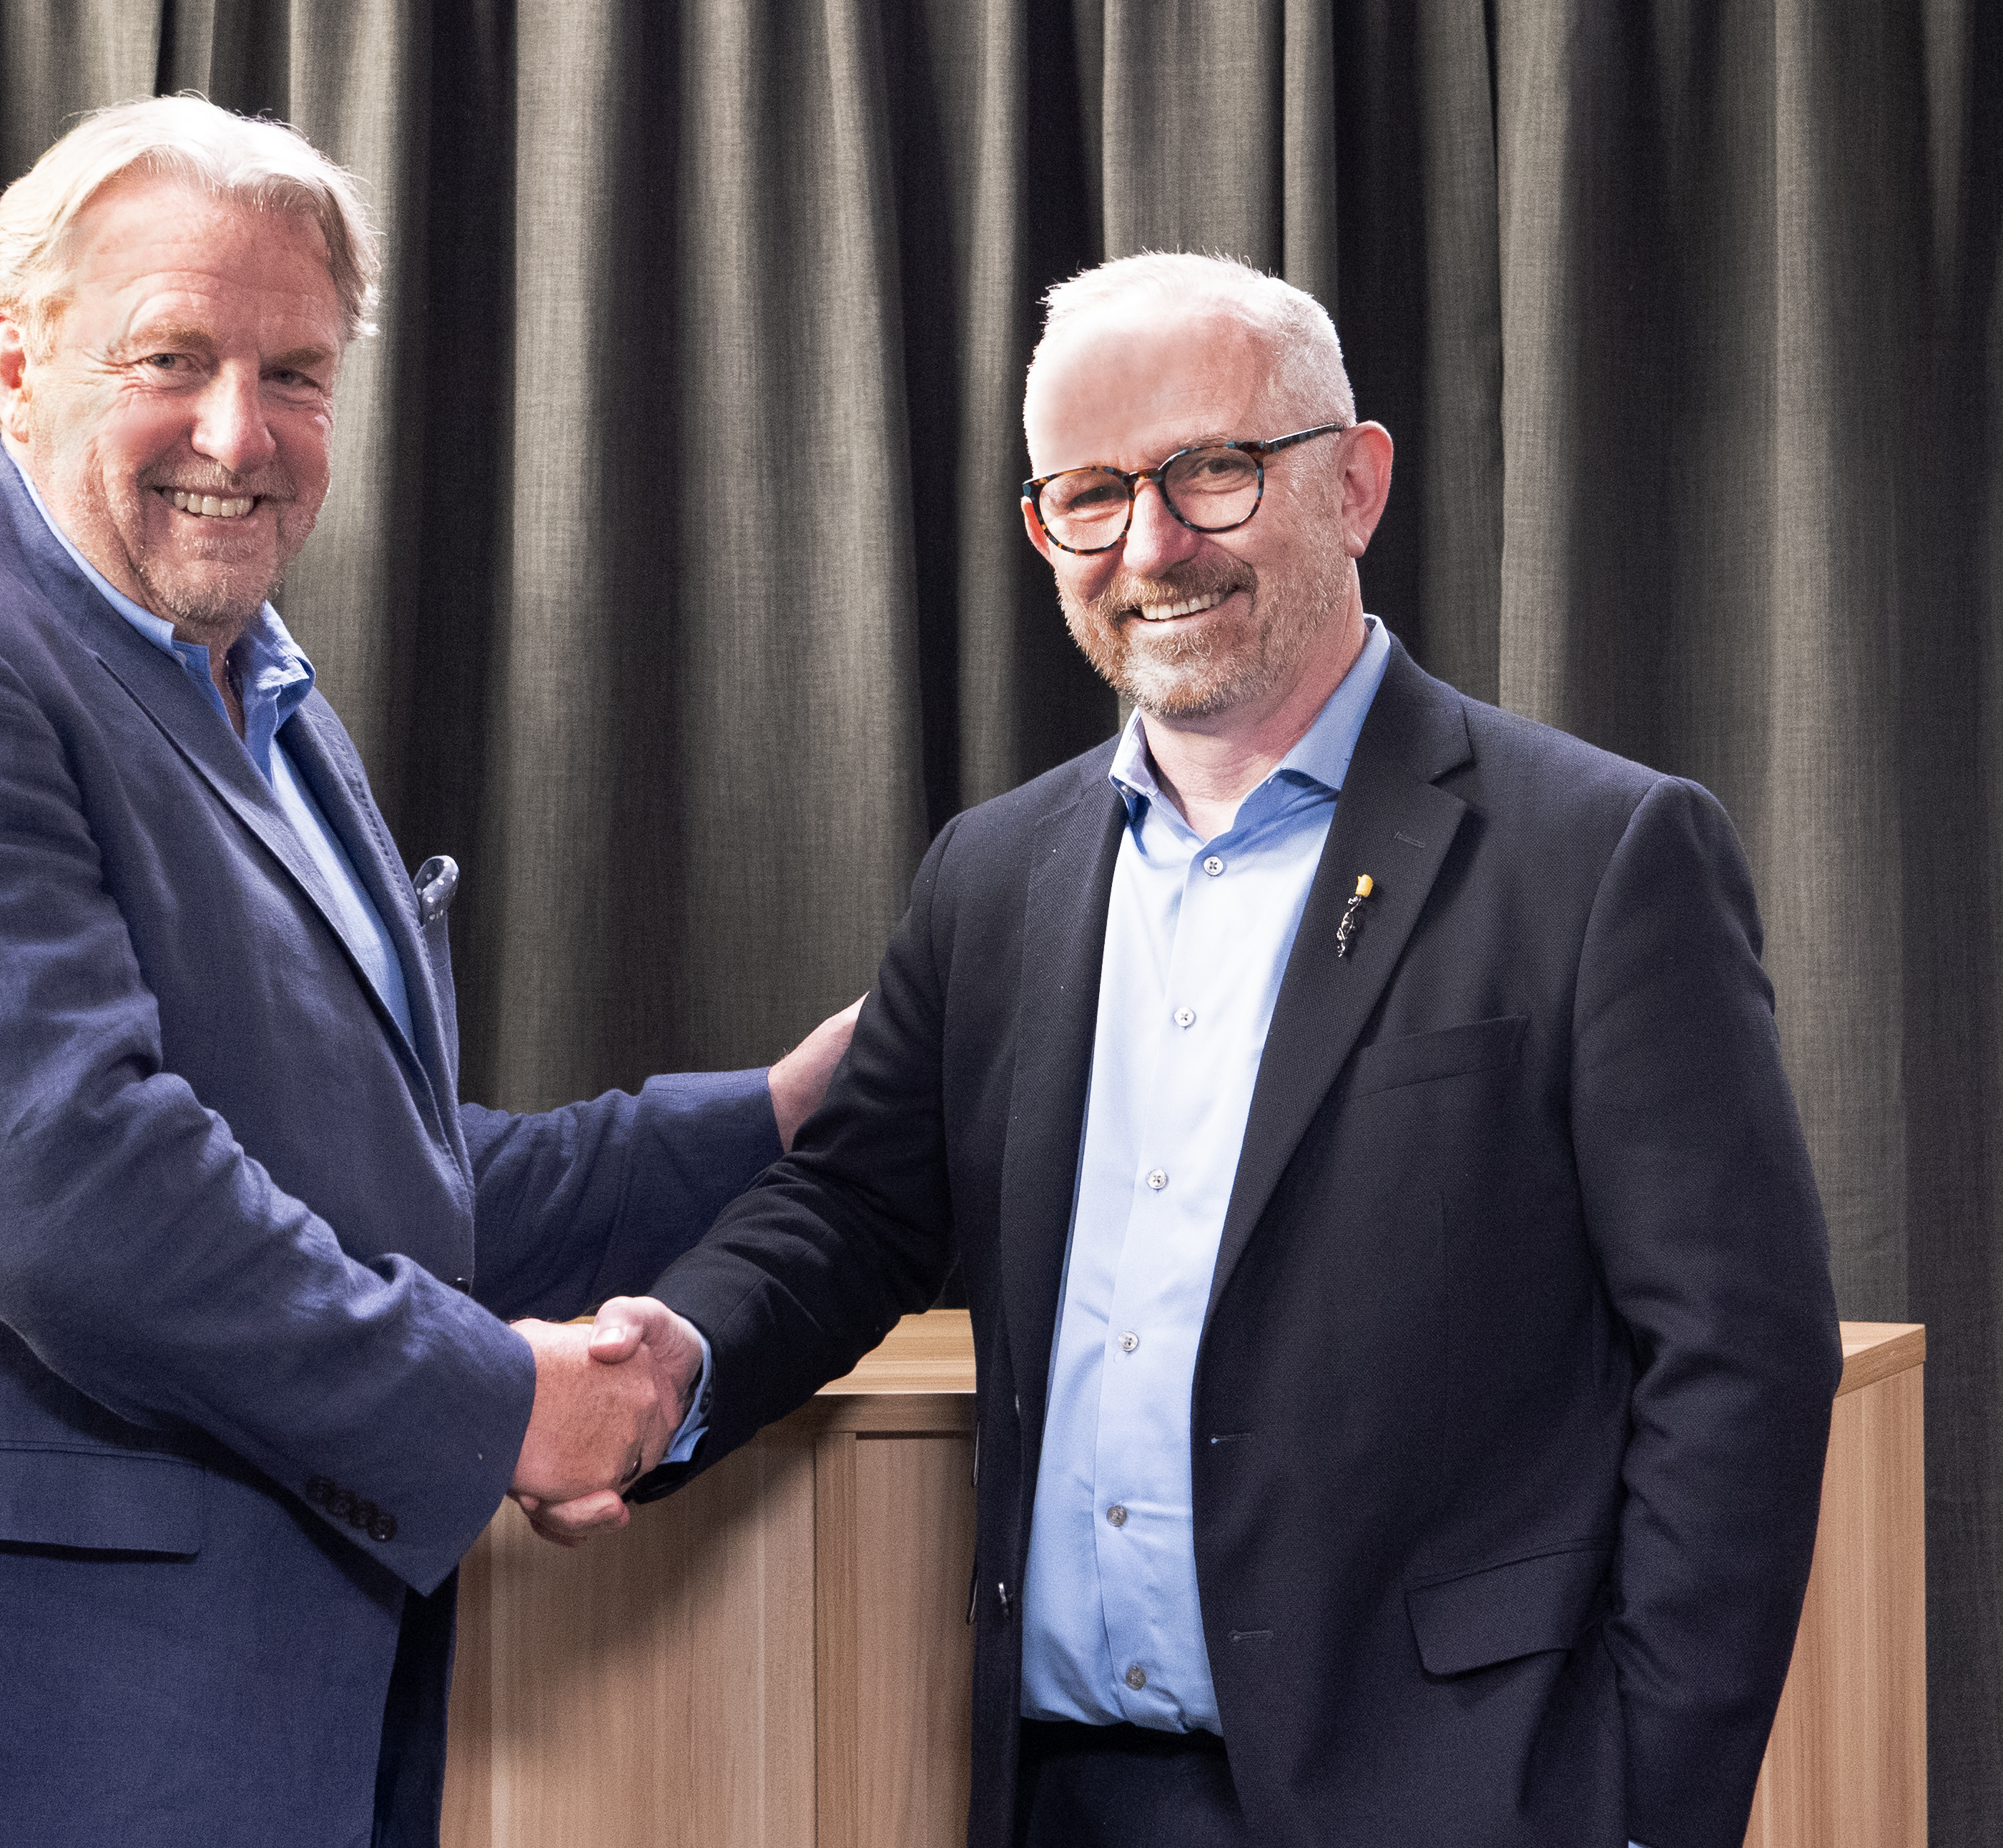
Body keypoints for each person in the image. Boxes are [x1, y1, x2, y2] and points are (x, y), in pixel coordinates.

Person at [0, 96, 853, 1848]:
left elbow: (366, 1181)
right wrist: (513, 1409)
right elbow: (79, 1193)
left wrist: (784, 1112)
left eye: (298, 374)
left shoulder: (256, 703)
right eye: (170, 356)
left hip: (224, 1738)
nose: (239, 434)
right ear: (12, 361)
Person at [584, 253, 1844, 1848]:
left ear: (1356, 482)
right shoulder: (995, 871)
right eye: (1090, 495)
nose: (1153, 543)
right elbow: (851, 1210)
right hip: (1060, 1791)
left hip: (1463, 1795)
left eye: (1212, 470)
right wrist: (675, 1365)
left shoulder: (1601, 855)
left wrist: (1645, 1805)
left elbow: (1740, 1354)